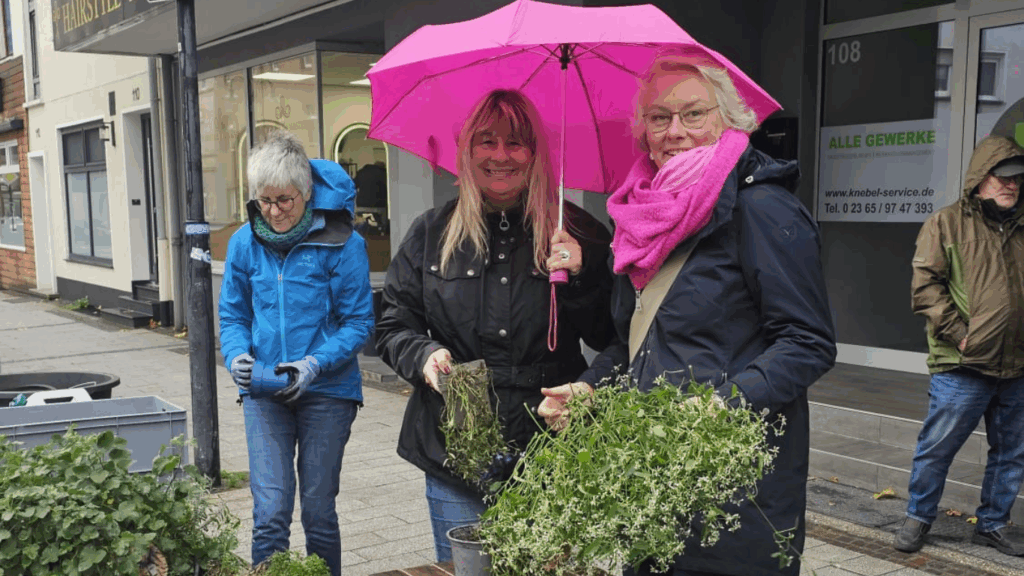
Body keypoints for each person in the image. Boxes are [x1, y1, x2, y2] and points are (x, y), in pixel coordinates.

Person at [538, 49, 837, 576]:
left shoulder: (762, 210)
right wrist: (590, 386)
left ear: (729, 120)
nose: (674, 130)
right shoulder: (640, 219)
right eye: (659, 117)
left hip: (737, 485)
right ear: (644, 130)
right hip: (651, 475)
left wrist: (725, 405)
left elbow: (808, 342)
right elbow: (636, 339)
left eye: (693, 114)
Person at [375, 89, 615, 563]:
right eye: (487, 141)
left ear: (535, 153)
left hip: (552, 451)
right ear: (467, 149)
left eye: (516, 143)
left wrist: (582, 277)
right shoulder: (431, 234)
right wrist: (422, 356)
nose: (501, 156)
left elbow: (615, 338)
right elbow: (392, 324)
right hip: (456, 453)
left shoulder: (578, 231)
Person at [218, 130, 375, 576]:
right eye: (264, 201)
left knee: (318, 510)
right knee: (269, 511)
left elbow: (359, 323)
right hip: (264, 390)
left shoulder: (344, 243)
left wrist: (313, 363)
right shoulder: (243, 244)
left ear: (307, 193)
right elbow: (232, 317)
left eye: (284, 200)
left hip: (328, 391)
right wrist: (235, 356)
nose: (273, 212)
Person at [893, 135, 1024, 557]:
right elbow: (925, 287)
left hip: (1017, 364)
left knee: (1010, 453)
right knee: (937, 449)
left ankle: (993, 523)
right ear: (979, 179)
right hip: (963, 364)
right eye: (1002, 178)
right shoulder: (946, 223)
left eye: (1017, 179)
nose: (1011, 185)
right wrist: (960, 334)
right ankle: (918, 517)